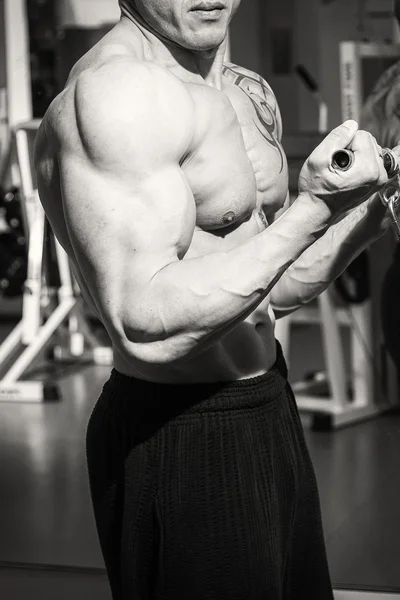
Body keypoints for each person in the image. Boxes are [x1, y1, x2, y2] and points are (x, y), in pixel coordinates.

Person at [33, 1, 397, 598]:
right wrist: (312, 210)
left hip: (267, 405)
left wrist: (371, 216)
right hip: (182, 433)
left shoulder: (244, 90)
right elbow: (142, 322)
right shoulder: (117, 96)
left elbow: (265, 289)